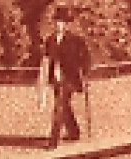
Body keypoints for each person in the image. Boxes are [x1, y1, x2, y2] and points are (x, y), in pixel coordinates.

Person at [37, 8, 91, 149]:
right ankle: (74, 132)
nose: (58, 25)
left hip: (70, 78)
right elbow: (47, 59)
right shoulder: (50, 40)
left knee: (59, 106)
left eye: (61, 22)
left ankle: (53, 141)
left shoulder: (76, 40)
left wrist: (84, 73)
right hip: (55, 78)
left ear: (66, 24)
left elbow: (85, 58)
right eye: (56, 22)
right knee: (64, 106)